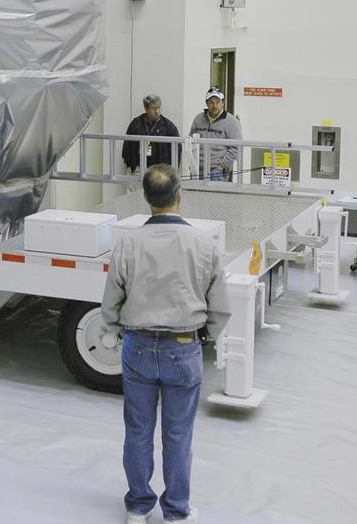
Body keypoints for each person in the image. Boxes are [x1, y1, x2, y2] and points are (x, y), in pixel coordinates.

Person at [102, 164, 229, 524]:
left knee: (138, 429)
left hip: (137, 347)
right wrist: (204, 337)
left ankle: (138, 507)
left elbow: (110, 303)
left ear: (146, 198)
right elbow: (220, 305)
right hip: (183, 347)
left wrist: (122, 331)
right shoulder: (203, 244)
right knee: (178, 434)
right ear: (179, 196)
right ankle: (176, 511)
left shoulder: (128, 243)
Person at [188, 87, 242, 181]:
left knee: (217, 196)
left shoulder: (231, 121)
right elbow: (191, 141)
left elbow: (237, 147)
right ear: (206, 103)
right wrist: (192, 164)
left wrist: (221, 166)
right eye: (211, 102)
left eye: (217, 102)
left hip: (217, 171)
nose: (214, 105)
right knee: (196, 195)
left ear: (223, 103)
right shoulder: (198, 118)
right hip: (198, 169)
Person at [123, 95, 181, 173]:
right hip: (138, 170)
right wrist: (131, 165)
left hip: (160, 172)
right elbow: (127, 146)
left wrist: (169, 170)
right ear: (146, 108)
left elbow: (177, 149)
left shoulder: (168, 126)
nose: (157, 111)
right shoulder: (135, 124)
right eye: (153, 108)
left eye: (158, 107)